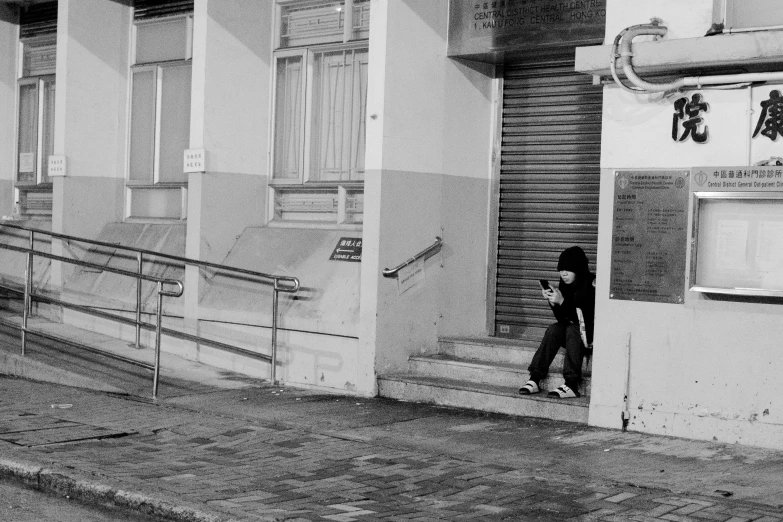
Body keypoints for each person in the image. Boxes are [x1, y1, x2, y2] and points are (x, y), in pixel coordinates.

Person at [518, 246, 595, 399]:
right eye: (561, 269)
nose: (563, 273)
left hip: (589, 335)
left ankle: (572, 384)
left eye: (568, 269)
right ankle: (534, 378)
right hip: (574, 336)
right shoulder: (565, 284)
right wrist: (554, 303)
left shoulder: (591, 284)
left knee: (573, 329)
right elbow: (563, 319)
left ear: (578, 268)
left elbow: (584, 318)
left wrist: (563, 302)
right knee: (555, 329)